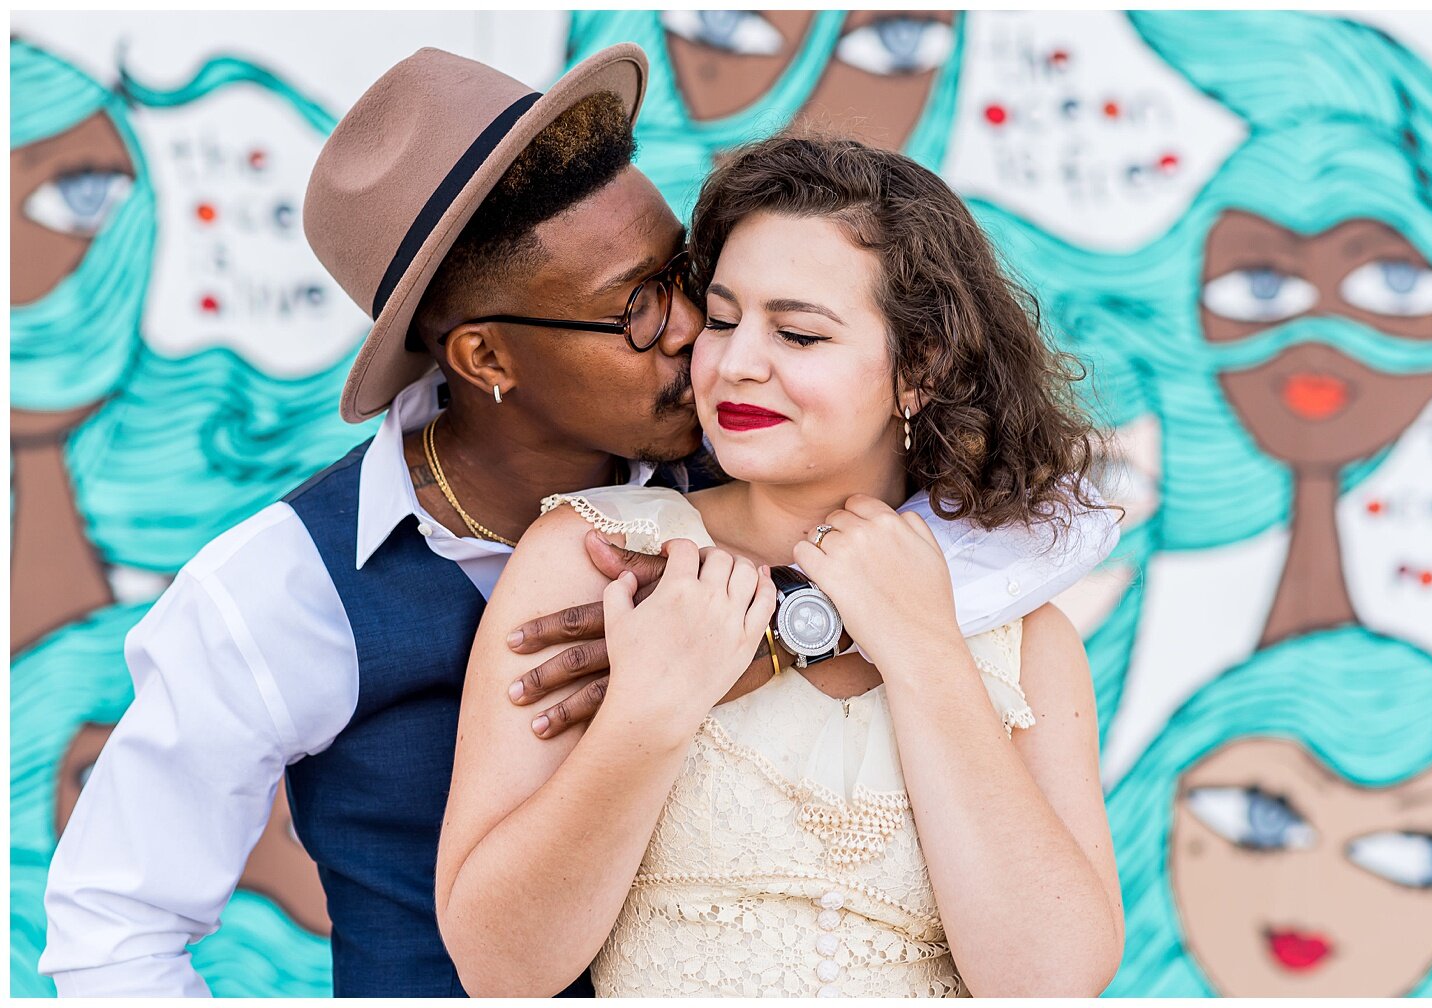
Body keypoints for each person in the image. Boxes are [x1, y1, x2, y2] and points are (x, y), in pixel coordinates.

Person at [40, 48, 1117, 997]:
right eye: (640, 306)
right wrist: (656, 702)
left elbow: (981, 546)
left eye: (686, 279)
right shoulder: (283, 590)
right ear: (488, 359)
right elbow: (116, 932)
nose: (702, 335)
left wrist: (848, 635)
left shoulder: (759, 458)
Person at [437, 135, 1126, 997]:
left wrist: (927, 653)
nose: (735, 364)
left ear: (921, 369)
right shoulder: (597, 558)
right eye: (721, 319)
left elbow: (1054, 983)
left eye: (799, 334)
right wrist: (649, 713)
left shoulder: (1024, 628)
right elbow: (499, 969)